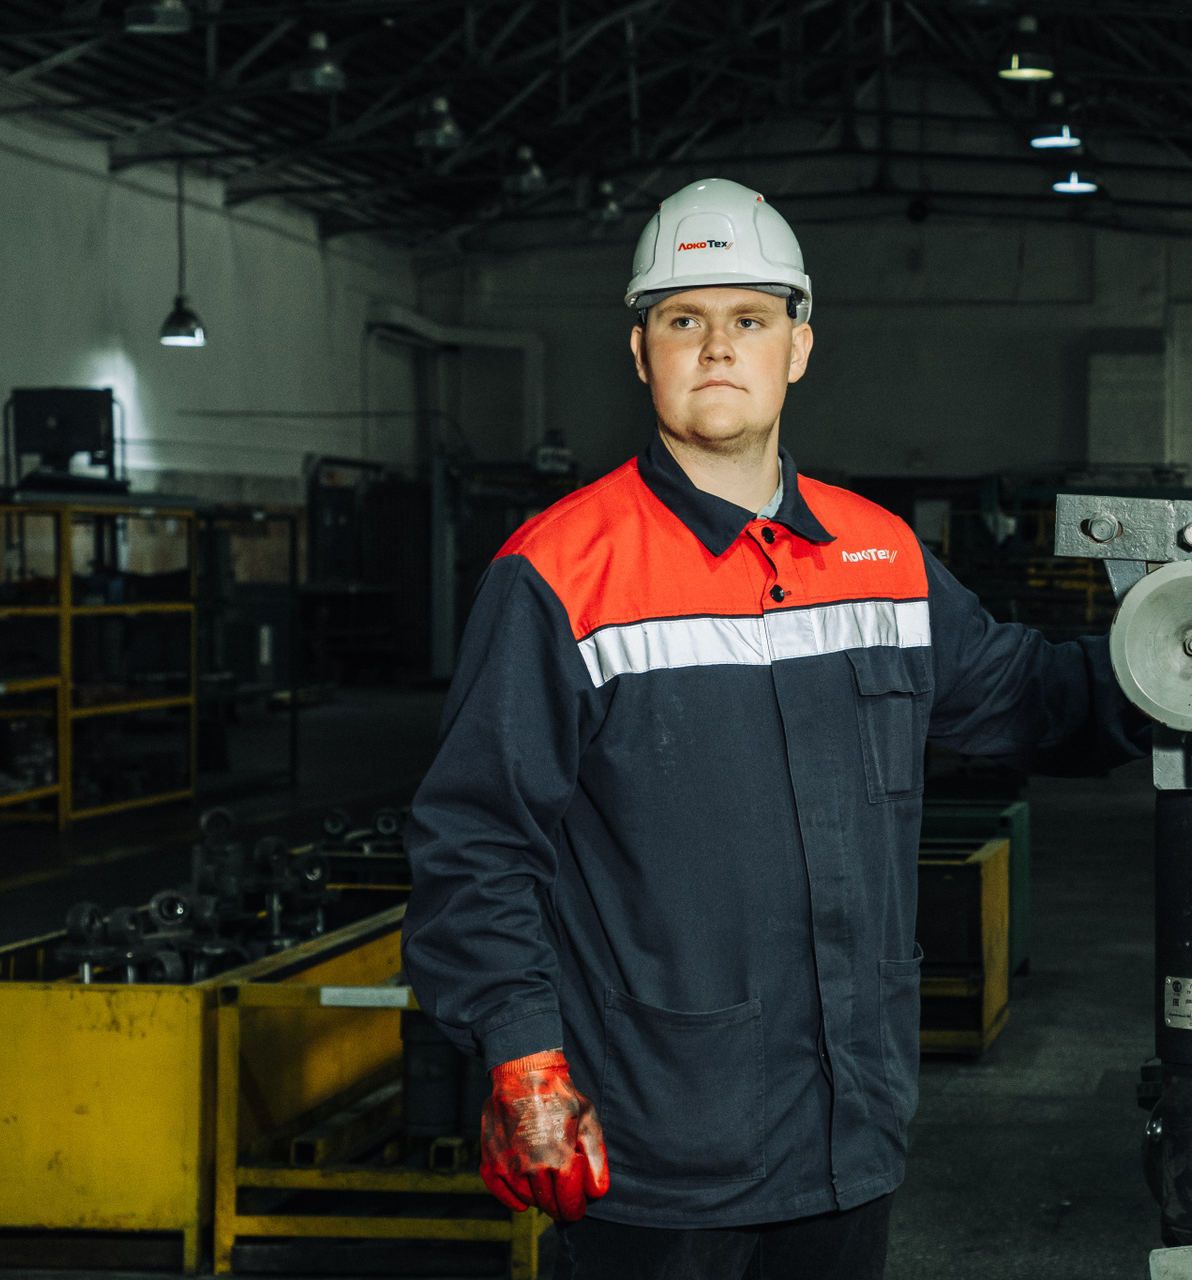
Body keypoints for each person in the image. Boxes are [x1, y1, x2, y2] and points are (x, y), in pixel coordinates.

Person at [402, 177, 1144, 1280]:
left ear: (798, 346)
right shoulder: (559, 573)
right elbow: (476, 838)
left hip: (851, 1124)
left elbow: (1036, 696)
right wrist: (519, 1055)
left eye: (748, 319)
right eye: (682, 320)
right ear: (640, 350)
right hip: (652, 1138)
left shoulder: (880, 556)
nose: (716, 347)